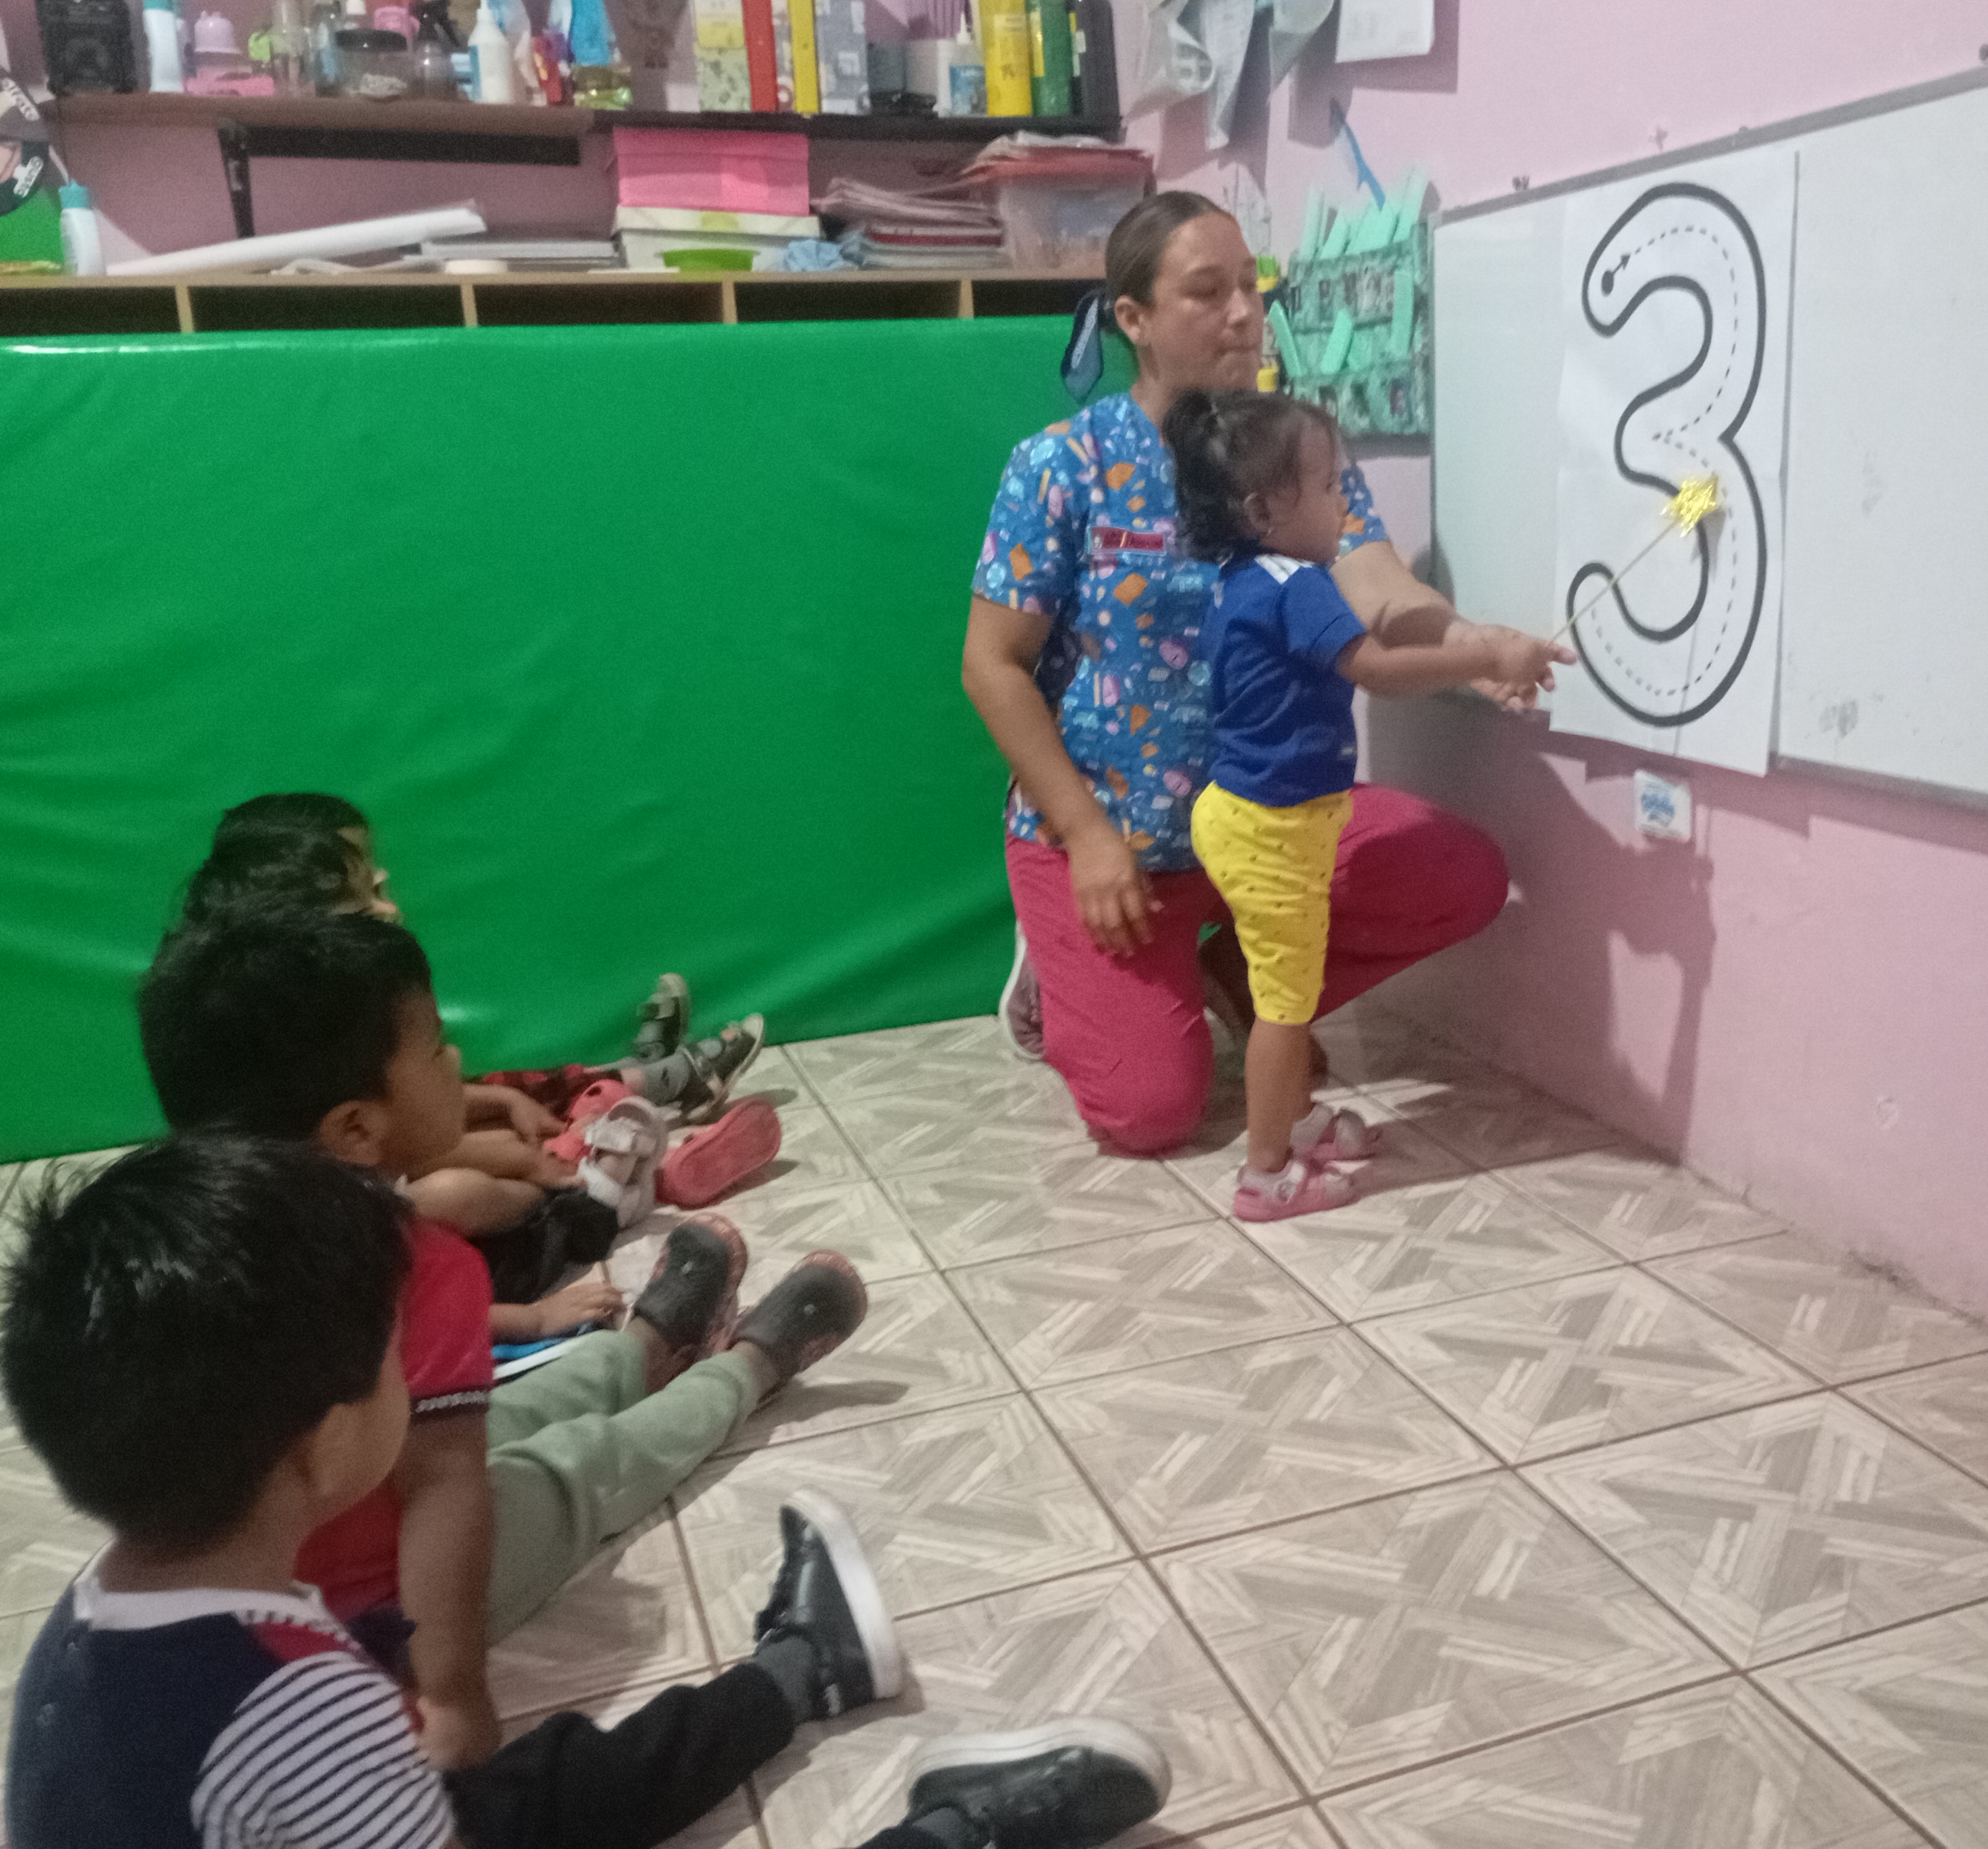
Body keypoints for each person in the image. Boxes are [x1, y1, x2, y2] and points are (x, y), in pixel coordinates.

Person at [0, 1132, 1173, 1849]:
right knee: (514, 1803)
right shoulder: (301, 1699)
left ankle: (800, 1671)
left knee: (532, 1791)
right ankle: (955, 1834)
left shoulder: (93, 1625)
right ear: (328, 1440)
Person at [136, 907, 869, 1770]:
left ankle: (644, 1349)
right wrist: (449, 1692)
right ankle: (751, 1365)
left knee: (508, 1412)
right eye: (436, 1047)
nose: (456, 1063)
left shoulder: (182, 1252)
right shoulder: (410, 1264)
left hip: (301, 1560)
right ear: (356, 1129)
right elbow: (444, 1494)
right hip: (384, 1612)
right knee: (580, 1467)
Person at [961, 191, 1570, 1155]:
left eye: (1252, 286)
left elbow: (1377, 586)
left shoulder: (1292, 452)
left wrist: (1467, 643)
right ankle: (1056, 964)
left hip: (1271, 820)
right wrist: (1086, 837)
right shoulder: (1062, 467)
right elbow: (991, 664)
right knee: (1148, 1113)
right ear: (1135, 319)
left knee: (1458, 874)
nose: (1245, 313)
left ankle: (1244, 980)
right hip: (1117, 839)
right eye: (1208, 292)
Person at [1167, 390, 1565, 1220]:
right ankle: (1266, 1175)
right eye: (1325, 486)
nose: (1344, 504)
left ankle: (1296, 1122)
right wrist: (1487, 655)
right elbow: (1377, 669)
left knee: (1285, 988)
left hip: (1248, 818)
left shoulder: (1244, 577)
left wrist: (1477, 652)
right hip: (1272, 832)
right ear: (1263, 510)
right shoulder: (1300, 587)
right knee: (1284, 1009)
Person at [179, 794, 780, 1321]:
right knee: (463, 1188)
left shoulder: (308, 1022)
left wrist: (501, 1108)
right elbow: (416, 1304)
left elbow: (413, 1130)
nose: (388, 908)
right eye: (365, 900)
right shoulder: (329, 1220)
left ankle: (640, 1086)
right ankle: (614, 1185)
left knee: (500, 1105)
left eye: (380, 886)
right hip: (444, 1241)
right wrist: (535, 1308)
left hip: (391, 1169)